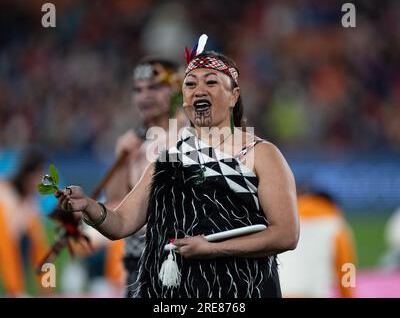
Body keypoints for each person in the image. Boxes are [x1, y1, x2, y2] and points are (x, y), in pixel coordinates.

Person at [55, 37, 299, 298]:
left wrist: (212, 248)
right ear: (184, 100)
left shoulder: (261, 153)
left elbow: (286, 234)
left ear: (234, 96)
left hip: (244, 293)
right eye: (190, 84)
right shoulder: (167, 159)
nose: (199, 89)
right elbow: (122, 223)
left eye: (211, 82)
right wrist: (89, 206)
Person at [103, 56, 187, 297]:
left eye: (155, 87)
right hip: (135, 263)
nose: (145, 96)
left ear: (176, 89)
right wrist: (123, 159)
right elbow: (116, 204)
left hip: (177, 261)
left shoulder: (193, 135)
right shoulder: (128, 143)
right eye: (138, 90)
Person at [279, 190, 357, 298]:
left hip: (279, 291)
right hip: (312, 293)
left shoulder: (285, 218)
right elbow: (347, 268)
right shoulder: (336, 224)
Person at [0, 148, 49, 297]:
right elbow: (5, 246)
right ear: (27, 175)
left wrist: (47, 288)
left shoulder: (30, 203)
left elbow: (41, 250)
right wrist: (15, 291)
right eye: (38, 176)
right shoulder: (4, 195)